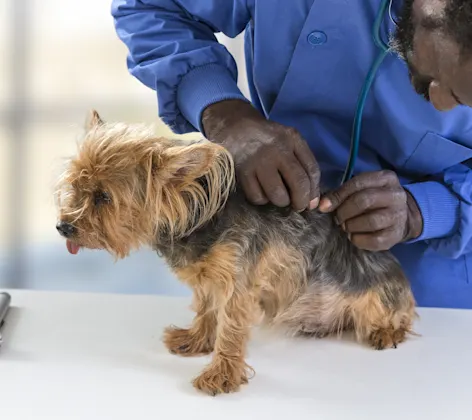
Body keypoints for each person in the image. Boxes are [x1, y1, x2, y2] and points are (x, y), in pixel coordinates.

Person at [110, 0, 472, 309]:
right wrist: (224, 113)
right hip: (267, 274)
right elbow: (152, 7)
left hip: (429, 296)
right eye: (445, 79)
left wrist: (426, 209)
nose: (441, 103)